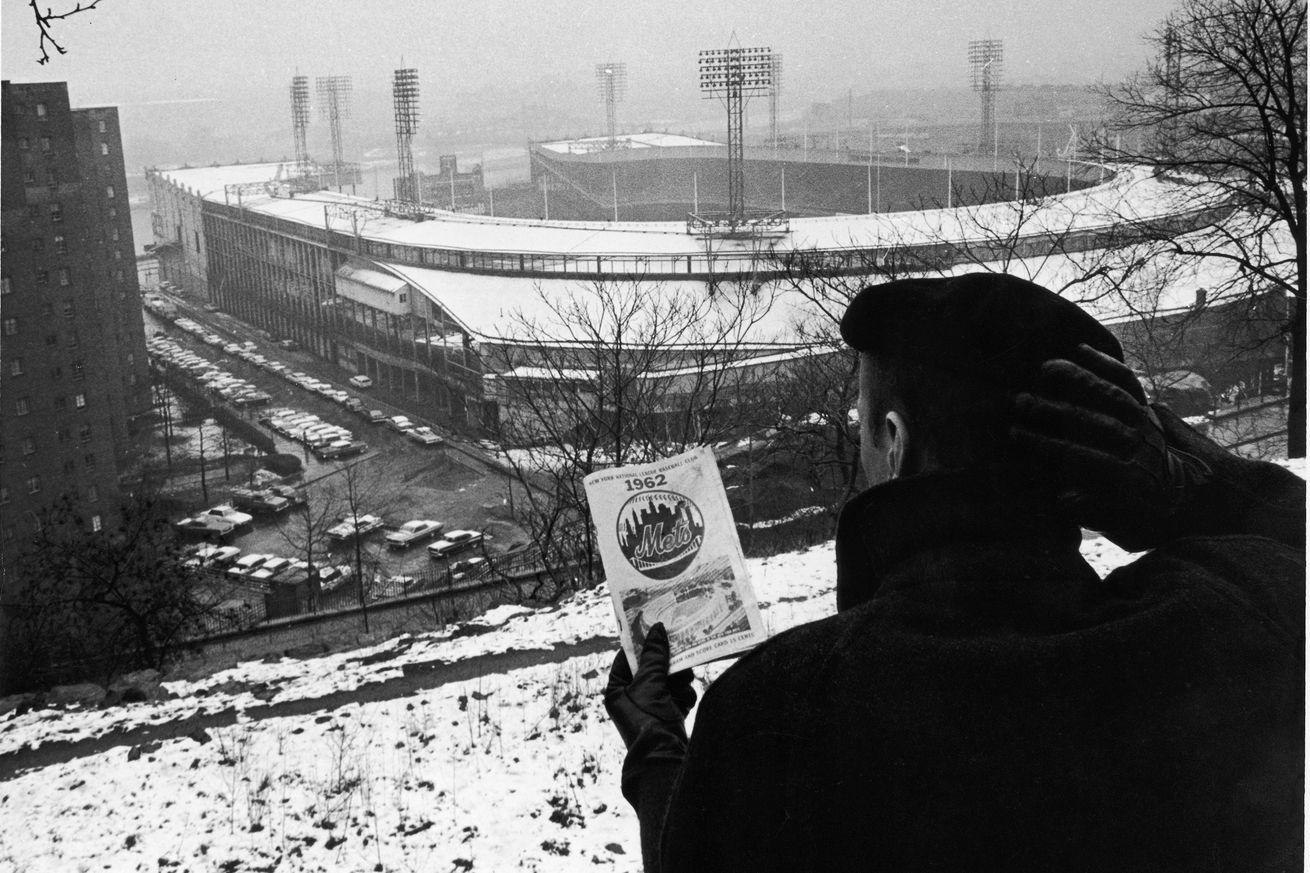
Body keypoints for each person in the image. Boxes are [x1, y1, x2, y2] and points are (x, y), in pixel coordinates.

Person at [603, 273, 1304, 872]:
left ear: (896, 441)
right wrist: (1180, 484)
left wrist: (659, 752)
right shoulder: (1233, 636)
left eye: (864, 426)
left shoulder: (780, 710)